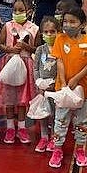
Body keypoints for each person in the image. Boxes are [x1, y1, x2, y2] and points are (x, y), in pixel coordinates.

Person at [48, 7, 87, 168]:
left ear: (82, 24)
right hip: (63, 89)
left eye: (73, 22)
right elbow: (59, 60)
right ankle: (57, 149)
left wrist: (77, 78)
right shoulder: (60, 39)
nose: (68, 25)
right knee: (60, 120)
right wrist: (63, 81)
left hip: (82, 90)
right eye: (65, 22)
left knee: (81, 121)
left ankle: (80, 149)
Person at [0, 0, 38, 144]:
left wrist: (27, 48)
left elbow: (36, 49)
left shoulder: (34, 28)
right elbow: (0, 44)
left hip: (25, 63)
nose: (17, 13)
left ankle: (22, 127)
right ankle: (10, 127)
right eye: (15, 10)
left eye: (21, 10)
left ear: (29, 11)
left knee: (22, 98)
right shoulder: (7, 26)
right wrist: (9, 49)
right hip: (9, 63)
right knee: (9, 97)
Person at [33, 16, 60, 153]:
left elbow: (62, 68)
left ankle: (54, 138)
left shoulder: (60, 49)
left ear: (58, 32)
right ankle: (44, 137)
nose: (49, 34)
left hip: (55, 88)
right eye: (46, 32)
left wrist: (55, 83)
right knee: (43, 113)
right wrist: (39, 83)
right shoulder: (40, 50)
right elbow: (36, 68)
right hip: (42, 88)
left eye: (52, 31)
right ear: (42, 33)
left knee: (55, 114)